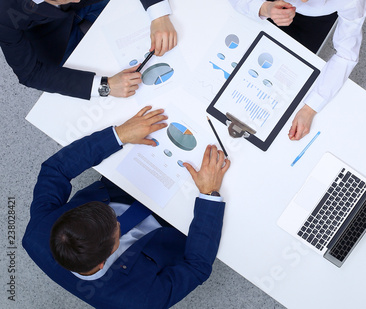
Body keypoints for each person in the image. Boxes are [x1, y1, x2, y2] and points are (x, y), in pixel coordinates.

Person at [22, 106, 230, 308]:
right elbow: (197, 268)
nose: (116, 216)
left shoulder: (36, 235)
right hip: (178, 226)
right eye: (116, 223)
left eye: (108, 211)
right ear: (104, 261)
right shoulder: (141, 301)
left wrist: (118, 135)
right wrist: (209, 194)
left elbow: (55, 170)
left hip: (124, 185)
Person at [226, 0, 366, 140]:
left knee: (280, 86)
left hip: (313, 22)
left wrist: (310, 108)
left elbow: (347, 54)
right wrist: (264, 8)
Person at [0, 0, 178, 99]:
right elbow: (30, 73)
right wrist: (104, 86)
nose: (77, 0)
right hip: (47, 34)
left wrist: (159, 14)